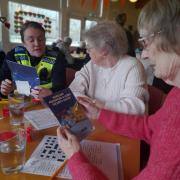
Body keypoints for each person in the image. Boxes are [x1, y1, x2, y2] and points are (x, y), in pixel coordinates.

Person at [57, 0, 180, 179]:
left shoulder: (132, 66)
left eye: (146, 42)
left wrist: (76, 158)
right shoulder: (176, 94)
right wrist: (99, 112)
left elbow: (136, 108)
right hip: (101, 131)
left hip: (122, 144)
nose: (143, 54)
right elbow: (150, 128)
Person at [69, 21, 148, 115]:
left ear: (104, 51)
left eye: (89, 48)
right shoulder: (92, 65)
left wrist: (95, 105)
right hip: (94, 123)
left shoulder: (133, 66)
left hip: (120, 127)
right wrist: (87, 104)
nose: (87, 51)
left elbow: (134, 108)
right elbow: (73, 90)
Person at [0, 21, 66, 98]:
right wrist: (3, 90)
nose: (37, 44)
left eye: (41, 39)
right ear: (23, 43)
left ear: (45, 40)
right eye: (31, 40)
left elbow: (61, 87)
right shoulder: (13, 55)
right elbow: (3, 81)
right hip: (19, 102)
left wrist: (51, 92)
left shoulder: (57, 56)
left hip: (46, 102)